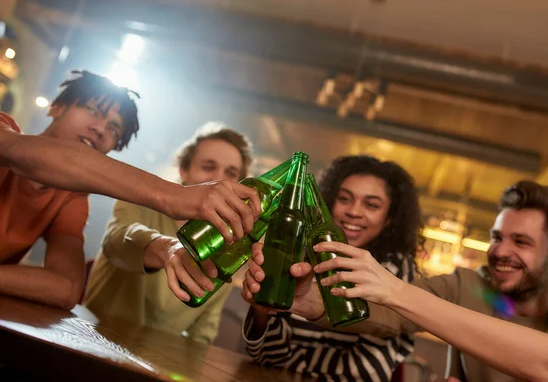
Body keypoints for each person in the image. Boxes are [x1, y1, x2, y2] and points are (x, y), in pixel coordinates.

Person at [0, 71, 259, 310]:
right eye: (91, 109)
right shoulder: (4, 128)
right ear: (56, 108)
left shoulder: (71, 199)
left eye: (113, 128)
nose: (100, 129)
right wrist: (174, 197)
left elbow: (66, 288)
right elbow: (29, 154)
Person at [313, 169, 548, 381]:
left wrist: (395, 290)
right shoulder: (470, 286)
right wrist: (302, 296)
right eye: (497, 238)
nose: (500, 252)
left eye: (521, 242)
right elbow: (384, 314)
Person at [242, 155, 422, 381]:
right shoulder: (301, 253)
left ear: (389, 219)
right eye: (344, 199)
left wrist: (293, 361)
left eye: (371, 205)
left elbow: (368, 370)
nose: (354, 211)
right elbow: (266, 355)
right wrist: (262, 310)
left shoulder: (394, 266)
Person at [84, 123, 254, 343]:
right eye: (208, 167)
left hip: (153, 366)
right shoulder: (141, 201)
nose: (220, 181)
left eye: (231, 173)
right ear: (183, 170)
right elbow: (115, 241)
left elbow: (201, 336)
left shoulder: (229, 248)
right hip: (93, 341)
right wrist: (167, 249)